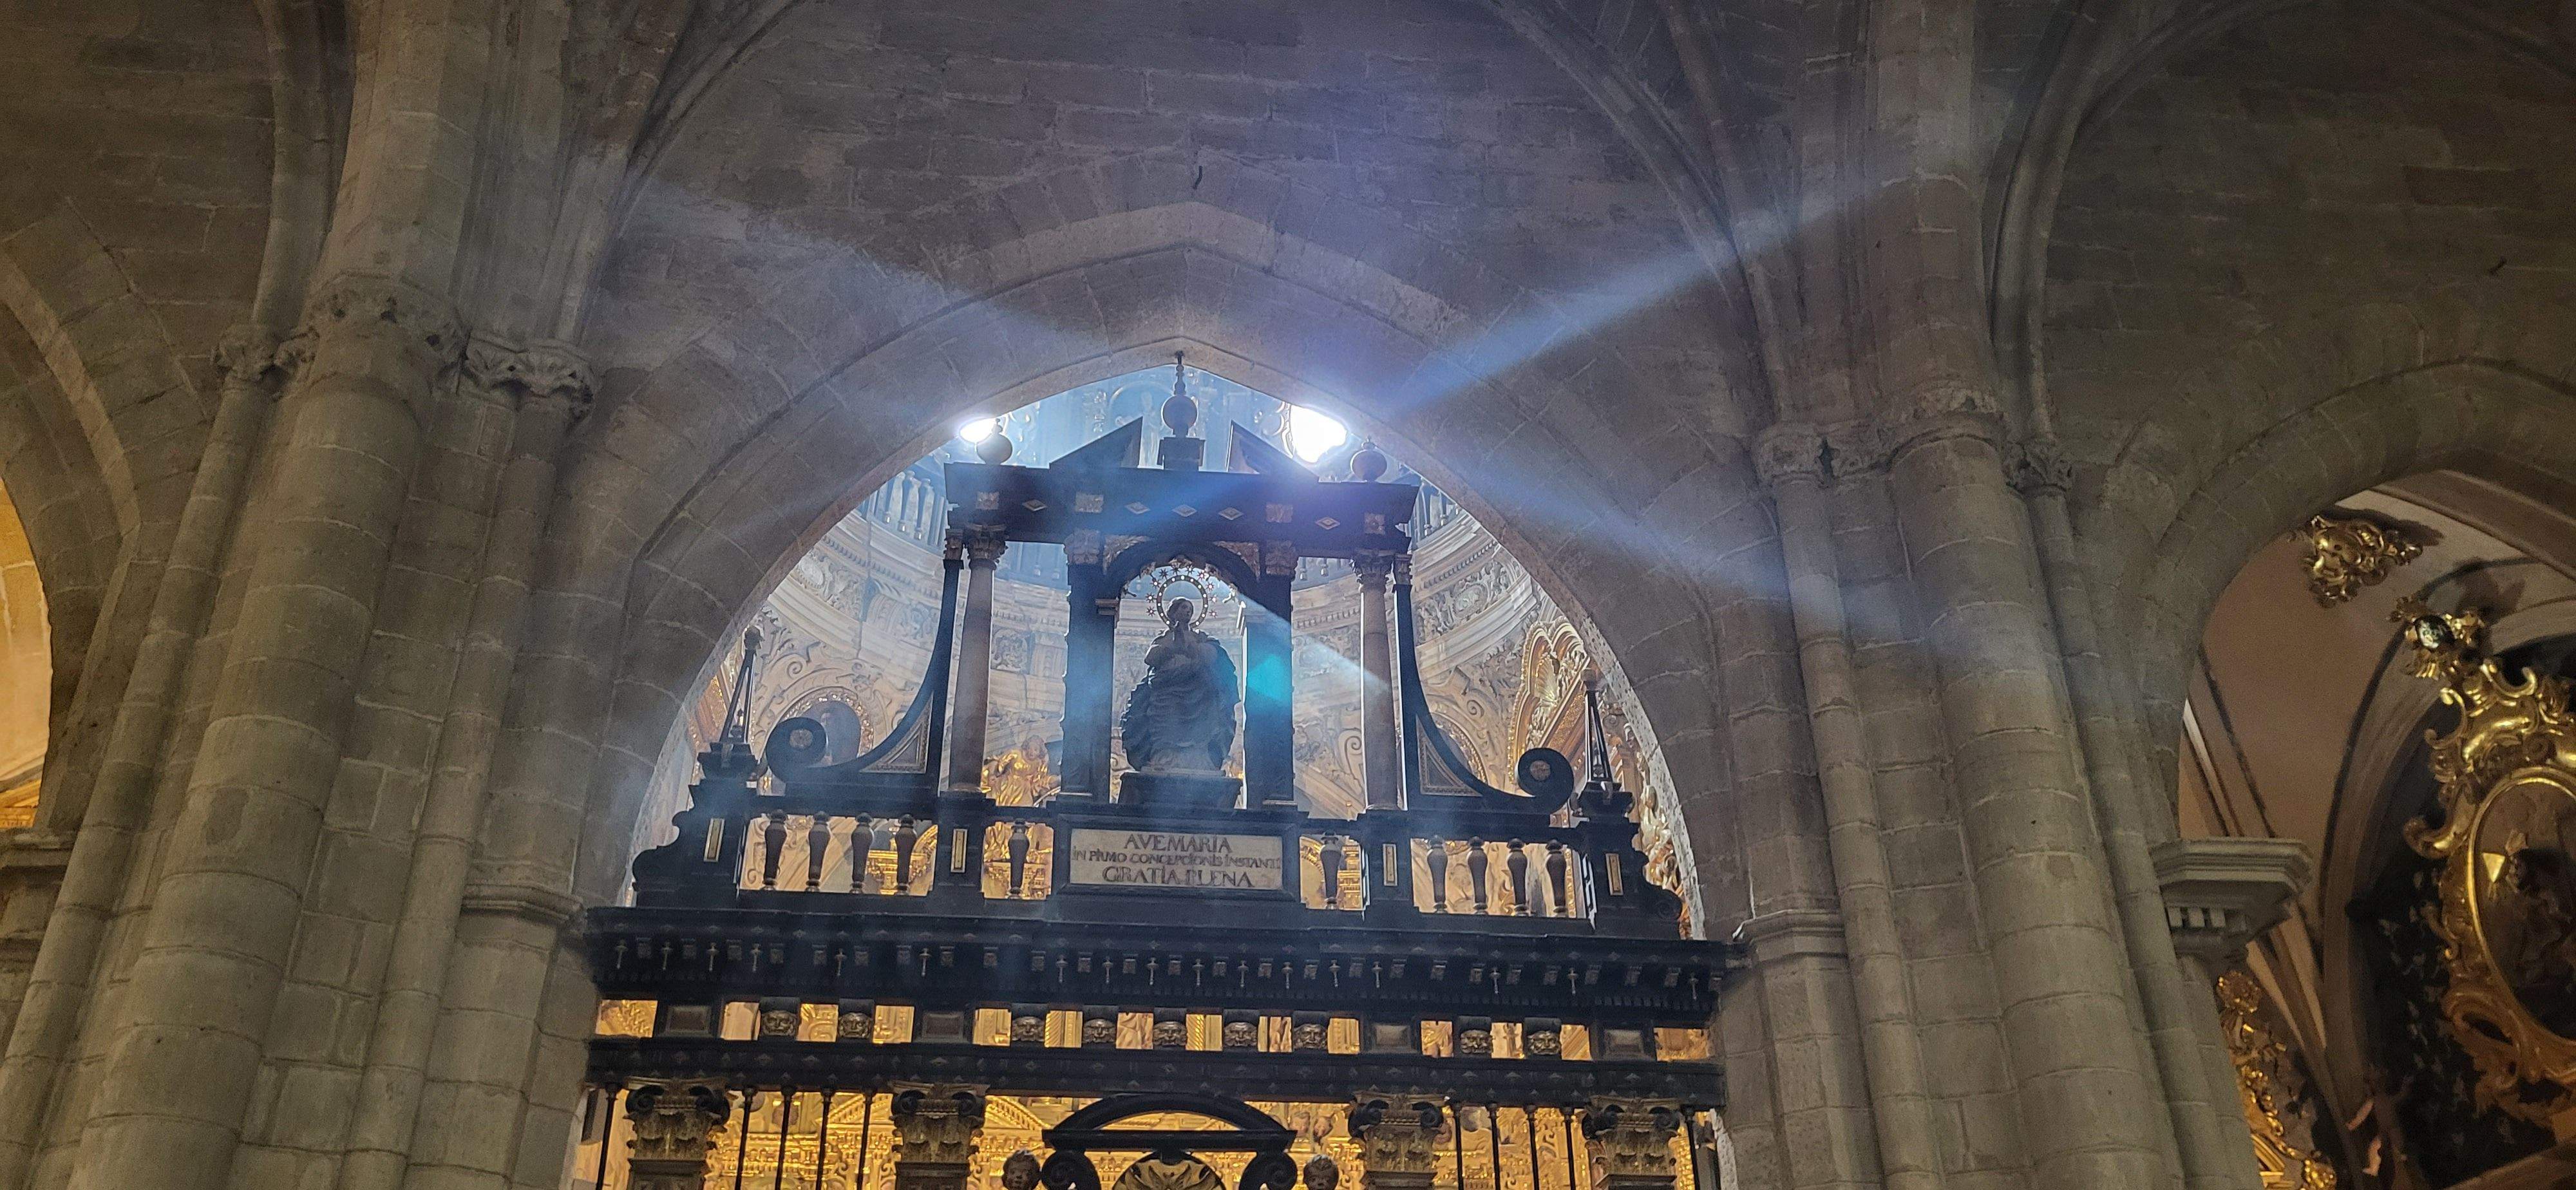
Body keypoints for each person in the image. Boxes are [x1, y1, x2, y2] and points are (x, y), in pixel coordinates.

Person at [1119, 596, 1239, 773]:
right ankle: (1163, 757)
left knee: (1201, 727)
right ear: (1173, 613)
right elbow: (1151, 657)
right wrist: (1173, 647)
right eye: (1183, 608)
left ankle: (1199, 758)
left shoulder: (1201, 638)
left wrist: (1194, 648)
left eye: (1190, 609)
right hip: (1166, 693)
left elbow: (1213, 656)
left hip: (1198, 693)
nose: (1187, 611)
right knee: (1166, 726)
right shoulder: (1164, 638)